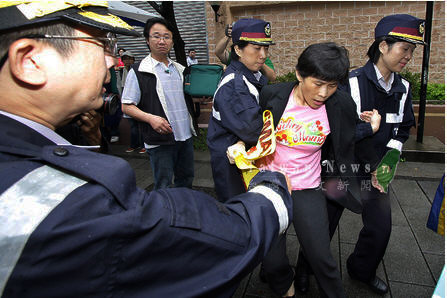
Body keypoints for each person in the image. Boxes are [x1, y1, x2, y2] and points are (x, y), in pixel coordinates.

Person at [0, 2, 295, 297]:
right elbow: (179, 237)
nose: (113, 61)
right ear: (30, 61)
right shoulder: (51, 192)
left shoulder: (31, 152)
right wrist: (272, 192)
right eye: (102, 43)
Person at [334, 14, 423, 295]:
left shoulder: (404, 88)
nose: (408, 56)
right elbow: (345, 132)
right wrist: (374, 164)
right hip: (344, 167)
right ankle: (304, 270)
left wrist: (388, 163)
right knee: (323, 223)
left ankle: (361, 270)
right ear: (383, 46)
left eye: (412, 51)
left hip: (378, 170)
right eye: (404, 49)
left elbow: (403, 128)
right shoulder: (351, 82)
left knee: (381, 228)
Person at [122, 18, 198, 190]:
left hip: (184, 136)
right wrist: (150, 119)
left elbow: (182, 98)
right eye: (156, 36)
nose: (162, 41)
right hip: (160, 139)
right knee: (163, 184)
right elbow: (126, 106)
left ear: (172, 41)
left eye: (166, 37)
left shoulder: (179, 69)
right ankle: (164, 215)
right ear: (148, 40)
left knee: (186, 180)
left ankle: (184, 213)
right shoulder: (139, 70)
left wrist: (198, 98)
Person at [207, 18, 275, 202]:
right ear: (237, 49)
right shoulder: (235, 86)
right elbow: (254, 130)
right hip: (232, 164)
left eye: (266, 48)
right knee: (238, 212)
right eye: (256, 48)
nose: (263, 55)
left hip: (243, 156)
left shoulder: (253, 73)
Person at [119, 51, 145, 154]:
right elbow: (120, 85)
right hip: (126, 100)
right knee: (133, 126)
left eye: (129, 59)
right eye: (125, 59)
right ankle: (134, 145)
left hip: (137, 101)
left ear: (133, 60)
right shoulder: (121, 71)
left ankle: (144, 145)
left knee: (141, 125)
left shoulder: (137, 70)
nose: (127, 61)